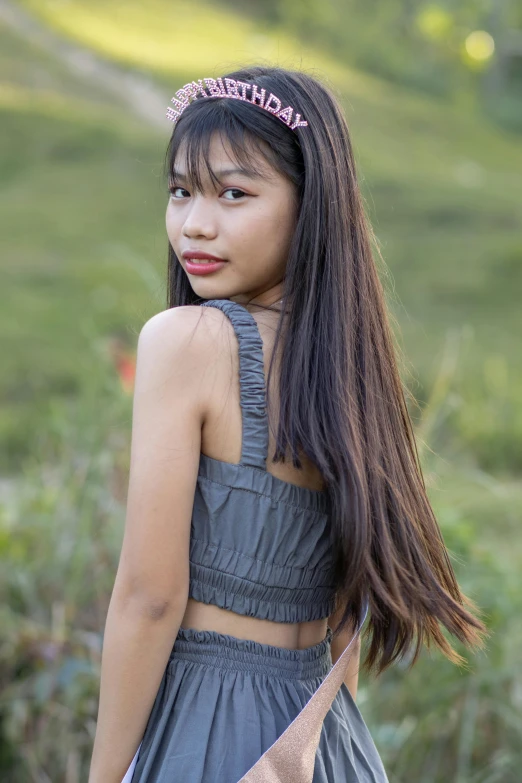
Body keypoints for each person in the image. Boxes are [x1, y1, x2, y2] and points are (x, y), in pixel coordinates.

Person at [88, 66, 487, 783]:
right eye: (181, 190)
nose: (195, 222)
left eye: (233, 193)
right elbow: (345, 621)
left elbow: (150, 599)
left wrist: (105, 773)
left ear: (312, 209)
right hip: (325, 742)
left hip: (208, 732)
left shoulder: (187, 342)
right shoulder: (351, 371)